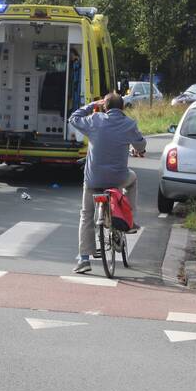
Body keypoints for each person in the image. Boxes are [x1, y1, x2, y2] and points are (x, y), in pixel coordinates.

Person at [68, 92, 147, 274]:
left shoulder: (95, 120)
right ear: (123, 107)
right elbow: (141, 146)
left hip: (94, 179)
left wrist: (91, 105)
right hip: (118, 179)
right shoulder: (129, 124)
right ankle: (130, 219)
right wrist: (138, 149)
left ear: (104, 106)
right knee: (133, 179)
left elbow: (73, 118)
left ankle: (84, 259)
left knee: (86, 214)